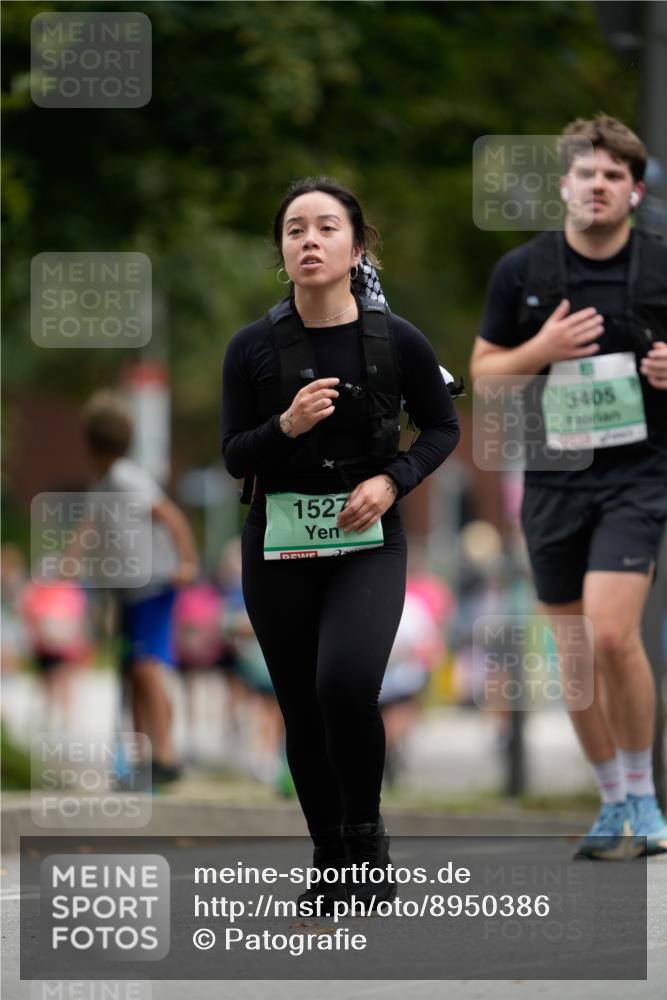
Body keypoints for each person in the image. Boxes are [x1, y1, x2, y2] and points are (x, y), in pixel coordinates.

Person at [221, 177, 460, 912]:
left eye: (326, 228)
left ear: (357, 247)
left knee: (344, 683)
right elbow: (234, 454)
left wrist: (392, 483)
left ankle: (366, 830)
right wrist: (285, 427)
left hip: (367, 538)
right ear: (282, 250)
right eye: (295, 230)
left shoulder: (396, 340)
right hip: (280, 539)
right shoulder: (252, 348)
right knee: (299, 704)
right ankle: (331, 854)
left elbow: (442, 426)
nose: (309, 241)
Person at [470, 115, 667, 858]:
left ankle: (645, 797)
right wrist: (541, 349)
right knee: (575, 655)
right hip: (552, 480)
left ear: (633, 192)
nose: (596, 185)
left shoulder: (659, 268)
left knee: (613, 633)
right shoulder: (522, 272)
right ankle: (611, 799)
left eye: (612, 175)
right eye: (585, 172)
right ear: (562, 185)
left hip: (637, 475)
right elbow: (484, 376)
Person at [81, 390, 200, 784]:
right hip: (132, 588)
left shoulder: (125, 478)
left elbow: (168, 514)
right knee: (133, 671)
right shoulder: (106, 482)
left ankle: (164, 755)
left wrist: (187, 561)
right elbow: (93, 529)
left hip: (153, 583)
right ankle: (142, 758)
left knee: (145, 667)